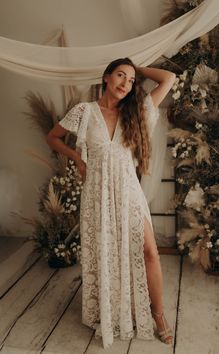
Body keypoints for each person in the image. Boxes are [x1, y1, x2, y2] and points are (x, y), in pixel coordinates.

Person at [46, 57, 176, 349]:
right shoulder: (84, 111)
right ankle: (113, 309)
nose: (125, 84)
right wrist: (78, 157)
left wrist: (135, 67)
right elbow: (53, 137)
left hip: (129, 191)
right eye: (120, 75)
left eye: (130, 81)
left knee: (150, 252)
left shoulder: (138, 111)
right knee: (108, 255)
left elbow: (168, 78)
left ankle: (159, 315)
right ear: (106, 77)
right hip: (97, 195)